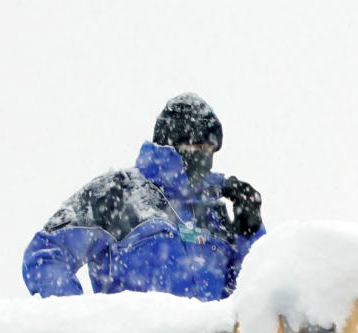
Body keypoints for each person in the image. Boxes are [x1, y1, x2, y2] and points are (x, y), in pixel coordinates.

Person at [22, 94, 263, 301]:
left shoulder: (213, 213)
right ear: (172, 144)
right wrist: (81, 328)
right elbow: (45, 255)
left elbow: (251, 295)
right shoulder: (117, 193)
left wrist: (250, 232)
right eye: (197, 148)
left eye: (210, 150)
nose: (204, 157)